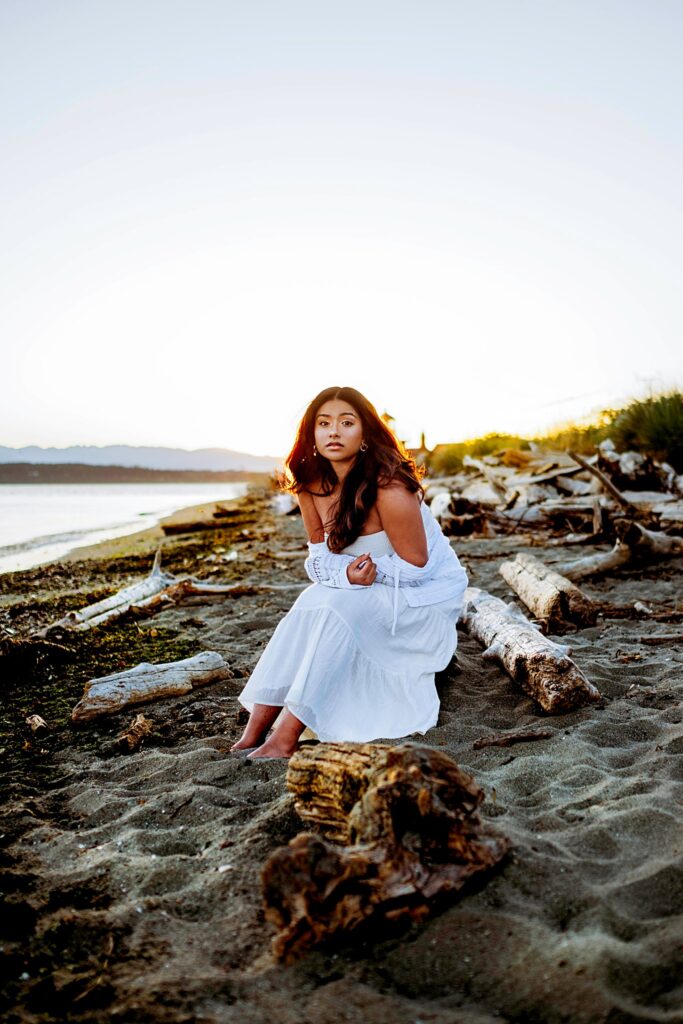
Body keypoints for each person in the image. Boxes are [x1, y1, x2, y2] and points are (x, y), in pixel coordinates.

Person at [231, 386, 468, 759]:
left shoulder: (388, 484)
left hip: (420, 595)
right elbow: (317, 561)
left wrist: (360, 577)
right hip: (365, 582)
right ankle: (255, 730)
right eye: (323, 424)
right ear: (311, 433)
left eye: (346, 422)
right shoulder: (310, 482)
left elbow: (416, 566)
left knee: (338, 609)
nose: (334, 432)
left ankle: (285, 737)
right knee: (311, 602)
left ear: (364, 433)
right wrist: (348, 577)